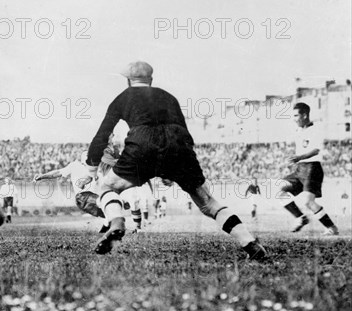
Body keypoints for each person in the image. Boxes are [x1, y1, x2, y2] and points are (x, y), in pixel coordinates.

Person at [85, 61, 267, 259]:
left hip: (141, 142)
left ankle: (117, 221)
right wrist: (171, 168)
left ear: (128, 81)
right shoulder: (168, 97)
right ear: (151, 80)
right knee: (207, 203)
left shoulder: (123, 97)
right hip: (178, 144)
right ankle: (249, 242)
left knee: (108, 188)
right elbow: (185, 132)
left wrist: (91, 167)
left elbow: (102, 134)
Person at [278, 103, 338, 235]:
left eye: (296, 115)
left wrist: (299, 157)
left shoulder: (315, 130)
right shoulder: (299, 130)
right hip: (300, 168)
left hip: (312, 168)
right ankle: (300, 218)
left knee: (308, 202)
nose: (294, 119)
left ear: (304, 115)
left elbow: (316, 150)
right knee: (279, 189)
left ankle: (331, 228)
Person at [34, 151, 107, 229]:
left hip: (90, 198)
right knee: (108, 206)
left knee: (109, 212)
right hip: (83, 196)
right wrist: (42, 176)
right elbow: (58, 173)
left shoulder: (96, 168)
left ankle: (108, 226)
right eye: (87, 155)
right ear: (81, 159)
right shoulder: (75, 166)